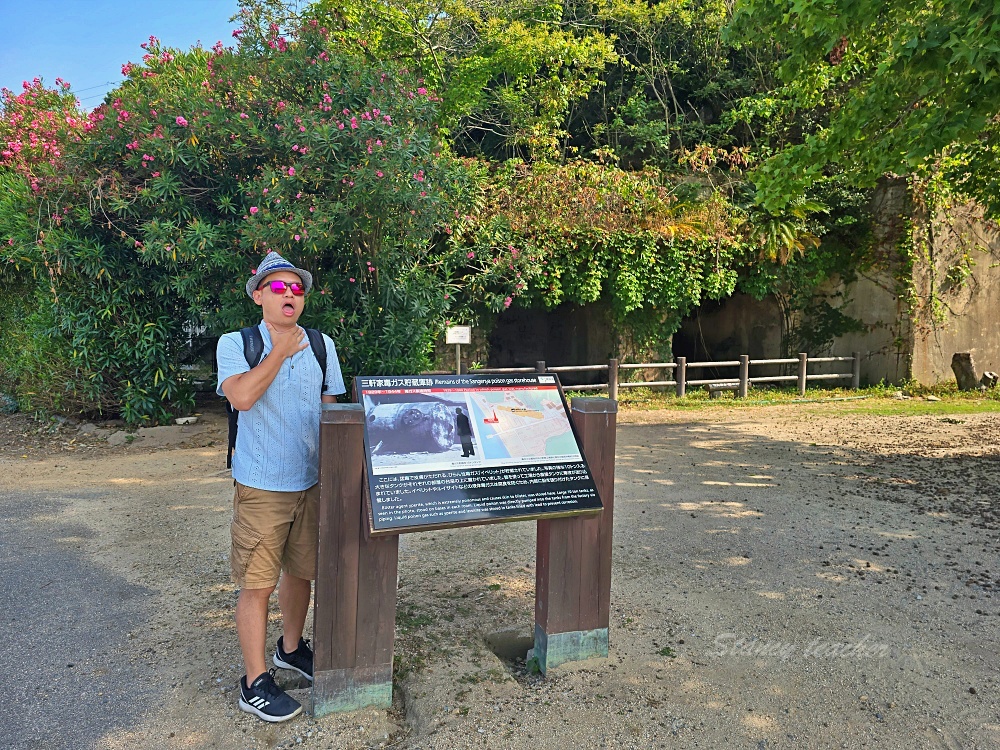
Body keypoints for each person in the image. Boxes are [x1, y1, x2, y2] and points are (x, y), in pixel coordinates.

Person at [216, 251, 346, 722]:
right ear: (258, 296)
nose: (290, 294)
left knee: (301, 572)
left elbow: (330, 408)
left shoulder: (322, 343)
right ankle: (253, 681)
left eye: (297, 288)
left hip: (311, 481)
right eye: (278, 287)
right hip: (262, 486)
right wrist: (279, 352)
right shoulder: (237, 342)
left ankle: (290, 649)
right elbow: (243, 397)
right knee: (257, 583)